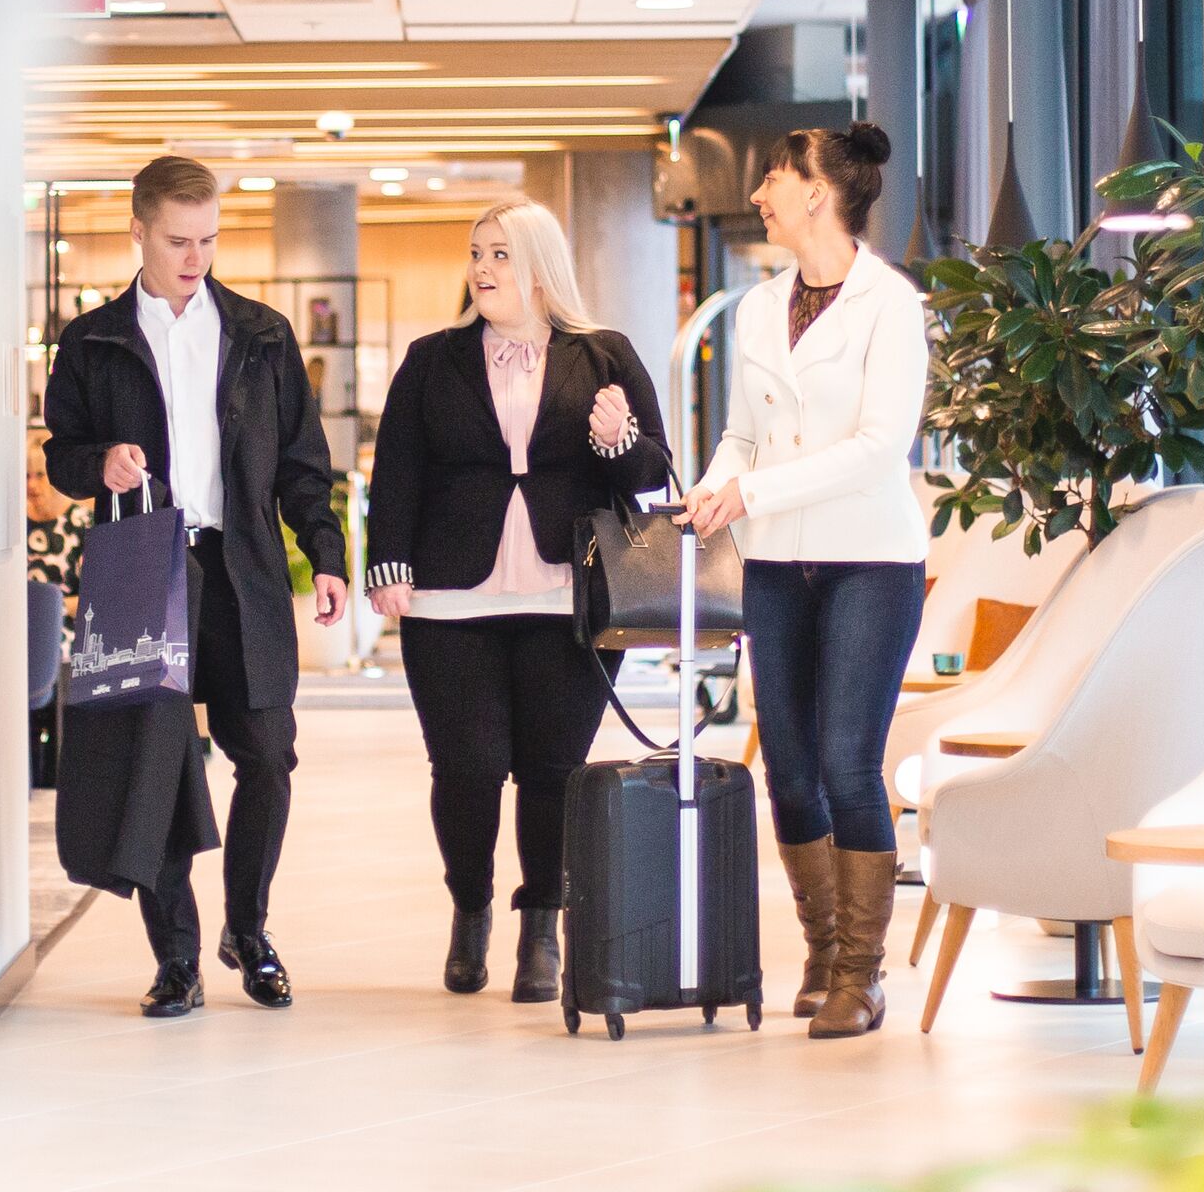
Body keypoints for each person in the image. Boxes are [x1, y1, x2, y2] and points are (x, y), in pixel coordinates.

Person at [42, 156, 354, 1018]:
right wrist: (97, 463)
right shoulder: (93, 341)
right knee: (156, 767)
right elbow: (60, 456)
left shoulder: (260, 334)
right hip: (142, 570)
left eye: (209, 238)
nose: (195, 255)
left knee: (268, 754)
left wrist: (325, 554)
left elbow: (302, 464)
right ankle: (175, 956)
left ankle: (246, 930)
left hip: (241, 567)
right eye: (178, 239)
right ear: (138, 230)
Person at [363, 199, 672, 1000]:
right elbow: (396, 466)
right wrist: (385, 560)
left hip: (567, 596)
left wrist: (615, 438)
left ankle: (543, 929)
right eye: (476, 253)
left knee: (552, 770)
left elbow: (650, 470)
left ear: (539, 265)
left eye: (499, 253)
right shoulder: (433, 359)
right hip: (448, 596)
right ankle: (470, 908)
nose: (482, 268)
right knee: (466, 766)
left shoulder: (603, 355)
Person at [682, 123, 929, 1039]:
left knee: (845, 763)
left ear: (818, 193)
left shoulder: (890, 306)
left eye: (775, 178)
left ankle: (863, 975)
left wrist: (753, 488)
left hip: (871, 559)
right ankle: (823, 950)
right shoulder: (755, 308)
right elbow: (742, 433)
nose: (761, 195)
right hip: (777, 559)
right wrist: (713, 491)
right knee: (786, 766)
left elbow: (877, 451)